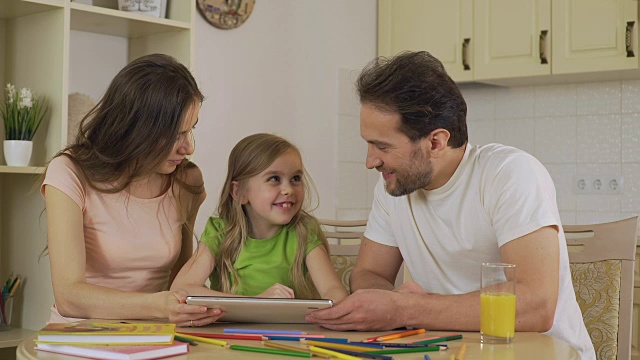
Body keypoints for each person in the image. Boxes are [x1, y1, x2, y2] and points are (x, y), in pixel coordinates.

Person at [305, 51, 595, 359]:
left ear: (435, 142)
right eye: (368, 143)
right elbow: (368, 274)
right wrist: (392, 303)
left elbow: (536, 306)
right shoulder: (392, 185)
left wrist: (405, 308)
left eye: (383, 146)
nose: (370, 161)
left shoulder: (510, 173)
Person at [41, 53, 221, 327]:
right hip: (79, 335)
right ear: (137, 127)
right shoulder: (69, 172)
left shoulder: (186, 180)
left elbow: (180, 282)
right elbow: (69, 296)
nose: (189, 148)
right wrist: (160, 305)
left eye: (190, 130)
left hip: (157, 334)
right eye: (176, 135)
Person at [170, 133, 348, 309]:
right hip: (229, 334)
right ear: (240, 192)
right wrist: (257, 302)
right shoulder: (220, 232)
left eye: (295, 179)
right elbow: (181, 288)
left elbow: (334, 293)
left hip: (291, 335)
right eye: (274, 179)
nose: (288, 189)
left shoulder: (304, 231)